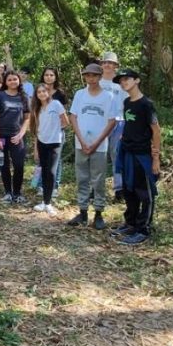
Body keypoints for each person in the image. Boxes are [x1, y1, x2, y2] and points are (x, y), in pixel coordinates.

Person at [112, 69, 161, 245]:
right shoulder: (126, 102)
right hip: (127, 152)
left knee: (145, 193)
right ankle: (130, 223)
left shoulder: (146, 104)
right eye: (121, 81)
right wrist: (124, 137)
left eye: (127, 79)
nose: (123, 83)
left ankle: (144, 229)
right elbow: (129, 124)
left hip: (142, 155)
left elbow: (156, 131)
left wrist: (156, 158)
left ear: (137, 81)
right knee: (128, 190)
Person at [67, 63, 116, 229]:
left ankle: (99, 213)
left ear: (100, 77)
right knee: (82, 177)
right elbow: (73, 117)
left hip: (99, 145)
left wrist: (97, 142)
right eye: (88, 75)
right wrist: (81, 139)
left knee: (98, 179)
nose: (91, 78)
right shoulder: (80, 94)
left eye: (94, 75)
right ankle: (82, 212)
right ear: (85, 77)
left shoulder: (108, 96)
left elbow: (112, 121)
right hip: (81, 143)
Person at [0, 70, 30, 204]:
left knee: (19, 165)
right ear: (5, 82)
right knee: (4, 164)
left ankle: (17, 193)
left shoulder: (24, 97)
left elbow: (27, 119)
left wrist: (20, 134)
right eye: (9, 79)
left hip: (17, 137)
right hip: (1, 136)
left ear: (19, 81)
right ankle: (8, 192)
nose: (13, 81)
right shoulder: (0, 96)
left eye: (15, 79)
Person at [30, 84, 68, 215]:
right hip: (41, 142)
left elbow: (65, 122)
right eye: (39, 92)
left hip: (55, 143)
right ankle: (44, 202)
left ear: (48, 92)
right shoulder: (37, 108)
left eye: (44, 91)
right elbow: (36, 129)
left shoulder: (56, 104)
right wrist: (35, 148)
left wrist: (55, 131)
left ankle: (48, 203)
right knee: (44, 172)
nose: (41, 94)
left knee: (51, 172)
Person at [100, 52, 128, 200]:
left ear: (116, 66)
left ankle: (119, 189)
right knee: (99, 155)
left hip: (119, 122)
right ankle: (96, 188)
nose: (107, 65)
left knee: (117, 155)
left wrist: (127, 125)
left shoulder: (121, 83)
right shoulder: (96, 82)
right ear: (101, 65)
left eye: (111, 63)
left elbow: (128, 105)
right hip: (100, 123)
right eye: (105, 62)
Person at [40, 66, 69, 196]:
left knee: (56, 160)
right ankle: (42, 185)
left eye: (51, 75)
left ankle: (55, 186)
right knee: (43, 160)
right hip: (43, 132)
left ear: (55, 77)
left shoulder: (60, 94)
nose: (49, 77)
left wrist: (58, 129)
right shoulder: (39, 91)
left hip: (57, 133)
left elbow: (64, 116)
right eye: (46, 75)